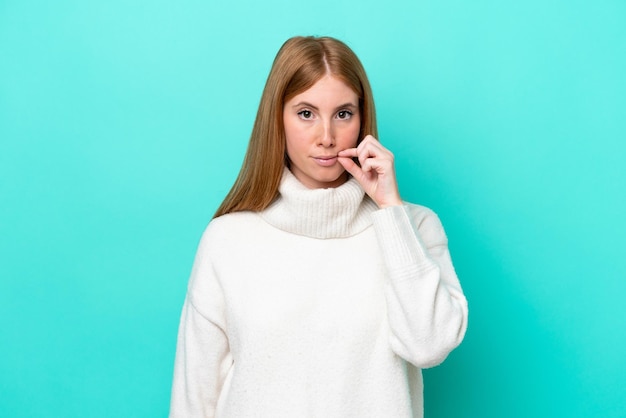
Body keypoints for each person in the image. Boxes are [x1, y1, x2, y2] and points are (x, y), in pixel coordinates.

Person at [169, 35, 468, 418]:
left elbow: (429, 345)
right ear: (277, 118)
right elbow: (195, 398)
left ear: (362, 120)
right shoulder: (228, 239)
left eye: (343, 114)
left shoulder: (415, 227)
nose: (326, 138)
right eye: (306, 113)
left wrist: (390, 211)